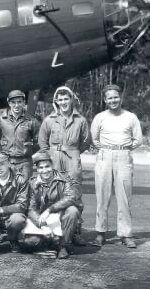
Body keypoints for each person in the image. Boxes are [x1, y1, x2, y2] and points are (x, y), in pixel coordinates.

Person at [90, 84, 143, 249]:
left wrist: (123, 149)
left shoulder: (131, 117)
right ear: (105, 100)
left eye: (116, 97)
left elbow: (138, 140)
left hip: (123, 157)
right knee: (102, 196)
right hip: (104, 156)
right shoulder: (99, 117)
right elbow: (94, 138)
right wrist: (107, 149)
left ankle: (125, 234)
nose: (113, 100)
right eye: (109, 98)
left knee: (124, 198)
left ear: (121, 98)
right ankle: (100, 233)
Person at [38, 86, 90, 245]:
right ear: (56, 102)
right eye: (60, 100)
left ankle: (75, 231)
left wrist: (72, 152)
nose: (63, 102)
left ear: (72, 99)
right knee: (53, 192)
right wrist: (52, 155)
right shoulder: (49, 120)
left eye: (66, 99)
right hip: (54, 157)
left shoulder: (80, 120)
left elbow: (86, 142)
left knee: (74, 193)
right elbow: (42, 141)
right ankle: (52, 229)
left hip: (72, 158)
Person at [23, 152, 83, 259]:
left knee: (72, 211)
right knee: (30, 243)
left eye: (47, 166)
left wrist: (50, 210)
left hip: (60, 217)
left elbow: (71, 197)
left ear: (52, 166)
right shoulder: (32, 183)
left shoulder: (64, 179)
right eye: (41, 168)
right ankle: (52, 241)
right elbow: (30, 208)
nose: (45, 170)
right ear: (37, 169)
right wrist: (42, 225)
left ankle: (63, 245)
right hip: (42, 219)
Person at [0, 90, 40, 180]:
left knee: (25, 189)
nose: (16, 105)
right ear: (9, 103)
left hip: (25, 162)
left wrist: (28, 151)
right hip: (7, 161)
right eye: (13, 102)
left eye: (19, 102)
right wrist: (1, 153)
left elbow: (38, 141)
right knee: (9, 189)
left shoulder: (31, 121)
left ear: (24, 103)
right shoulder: (1, 120)